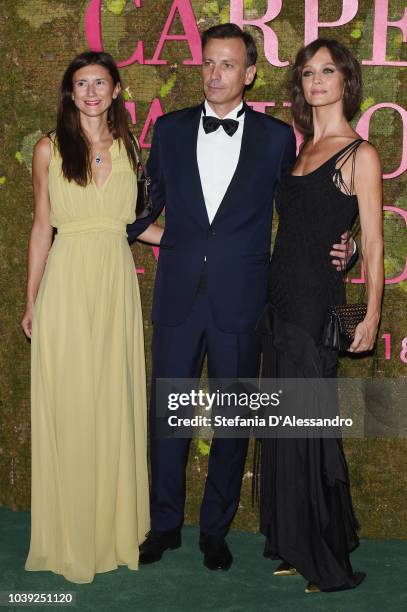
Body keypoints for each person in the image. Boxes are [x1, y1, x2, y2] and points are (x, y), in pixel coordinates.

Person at [126, 24, 353, 572]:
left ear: (250, 74)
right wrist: (166, 239)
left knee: (232, 421)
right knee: (169, 418)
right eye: (208, 63)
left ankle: (214, 531)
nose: (214, 73)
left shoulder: (277, 139)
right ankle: (163, 526)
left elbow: (303, 210)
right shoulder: (172, 129)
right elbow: (139, 210)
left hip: (244, 301)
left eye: (227, 64)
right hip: (179, 298)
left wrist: (352, 243)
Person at [22, 51, 161, 584]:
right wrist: (31, 299)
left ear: (116, 88)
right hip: (67, 285)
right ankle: (71, 536)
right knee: (74, 405)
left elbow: (130, 225)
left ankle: (111, 531)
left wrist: (195, 246)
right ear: (70, 93)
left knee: (112, 403)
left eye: (100, 82)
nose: (91, 92)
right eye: (81, 84)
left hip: (115, 286)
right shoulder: (48, 150)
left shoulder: (130, 149)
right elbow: (41, 227)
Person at [257, 38, 383, 592]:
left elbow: (373, 243)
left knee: (313, 429)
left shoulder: (361, 154)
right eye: (308, 73)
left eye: (327, 71)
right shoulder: (300, 149)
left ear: (346, 81)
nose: (316, 81)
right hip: (279, 299)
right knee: (287, 430)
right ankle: (296, 542)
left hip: (316, 306)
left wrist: (371, 313)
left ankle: (328, 557)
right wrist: (346, 243)